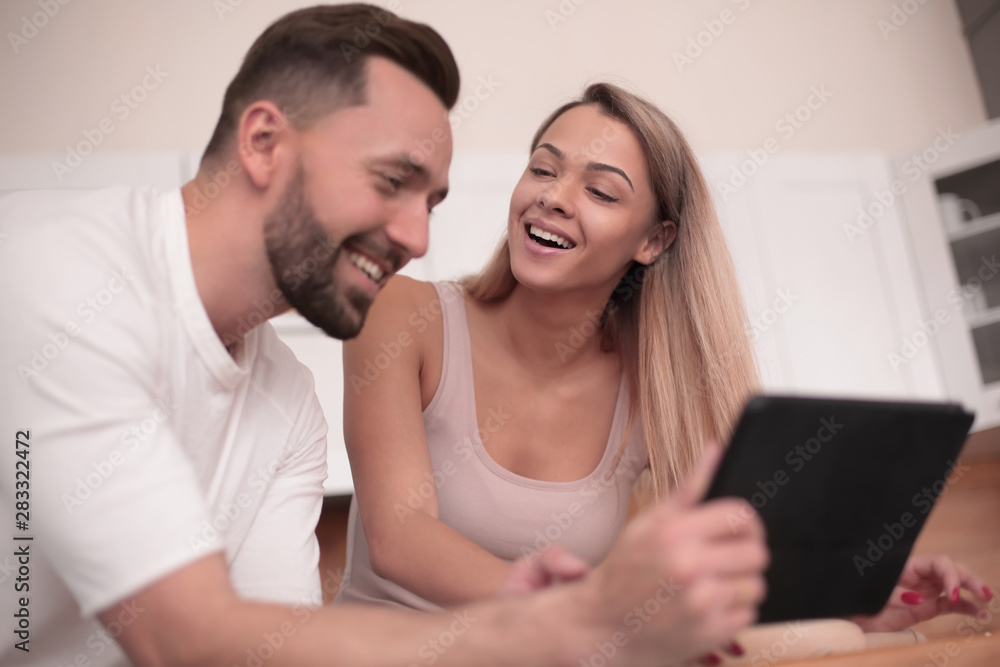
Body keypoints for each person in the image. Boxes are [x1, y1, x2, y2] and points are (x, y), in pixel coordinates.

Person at [0, 4, 772, 666]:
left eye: (431, 201)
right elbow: (180, 634)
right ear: (264, 142)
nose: (417, 237)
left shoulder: (285, 403)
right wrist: (570, 620)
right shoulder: (51, 274)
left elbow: (272, 648)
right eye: (391, 181)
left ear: (655, 238)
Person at [335, 82, 996, 660]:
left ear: (653, 240)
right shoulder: (403, 313)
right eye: (543, 170)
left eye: (599, 190)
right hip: (387, 652)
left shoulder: (652, 388)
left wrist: (852, 602)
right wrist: (598, 608)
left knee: (844, 644)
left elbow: (736, 564)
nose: (554, 198)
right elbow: (400, 537)